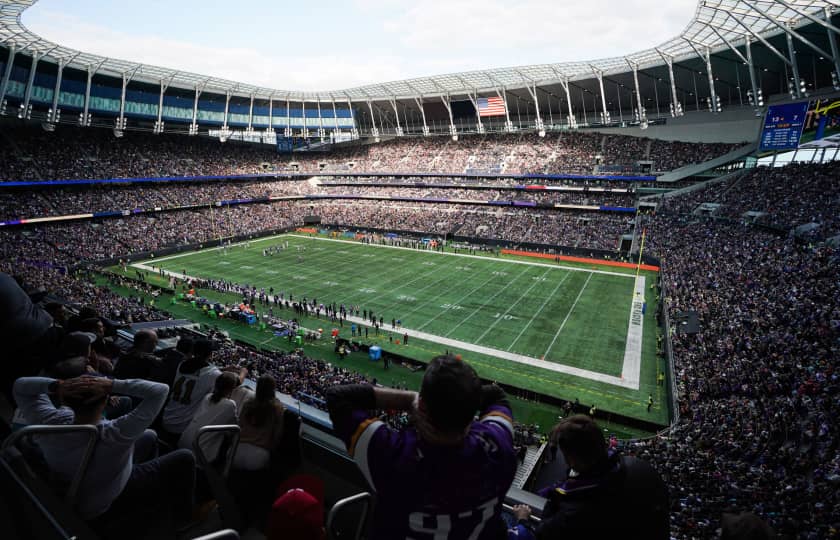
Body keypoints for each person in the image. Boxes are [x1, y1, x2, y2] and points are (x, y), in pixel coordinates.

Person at [326, 355, 517, 539]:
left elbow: (338, 397)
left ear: (423, 406)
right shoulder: (498, 448)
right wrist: (459, 401)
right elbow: (496, 396)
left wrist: (410, 400)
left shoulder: (393, 456)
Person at [13, 375, 195, 535]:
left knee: (150, 435)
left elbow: (20, 385)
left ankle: (152, 492)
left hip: (73, 484)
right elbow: (161, 389)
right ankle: (184, 519)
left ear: (64, 399)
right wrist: (112, 384)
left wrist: (58, 384)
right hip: (103, 501)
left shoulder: (47, 421)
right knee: (185, 457)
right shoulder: (117, 432)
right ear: (106, 400)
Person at [519, 415, 669, 539]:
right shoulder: (640, 467)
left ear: (572, 460)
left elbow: (540, 534)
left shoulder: (574, 511)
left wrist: (523, 520)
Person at [178, 372, 239, 462]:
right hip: (199, 454)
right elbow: (234, 429)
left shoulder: (208, 397)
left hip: (183, 442)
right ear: (231, 389)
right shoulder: (230, 405)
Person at [233, 374, 285, 471]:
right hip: (259, 455)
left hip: (236, 451)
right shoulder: (277, 408)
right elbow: (277, 435)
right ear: (272, 389)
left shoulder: (248, 403)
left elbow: (239, 426)